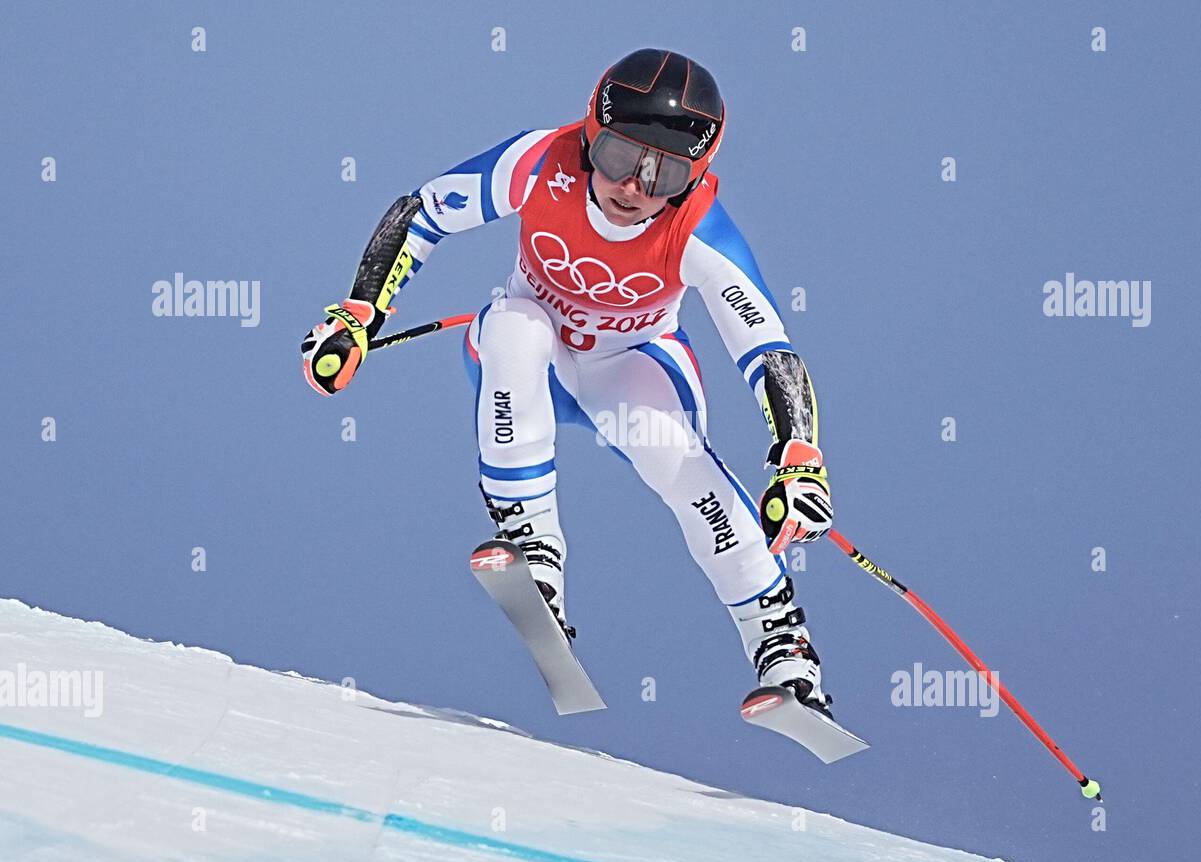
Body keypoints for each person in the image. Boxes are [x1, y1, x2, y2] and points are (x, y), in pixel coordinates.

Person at [302, 49, 837, 713]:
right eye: (618, 156)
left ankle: (784, 648)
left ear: (694, 175)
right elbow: (423, 211)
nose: (635, 187)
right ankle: (534, 552)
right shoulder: (540, 163)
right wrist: (358, 312)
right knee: (513, 324)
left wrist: (798, 456)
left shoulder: (696, 227)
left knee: (669, 453)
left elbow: (766, 347)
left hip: (634, 365)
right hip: (535, 360)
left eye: (665, 172)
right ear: (589, 134)